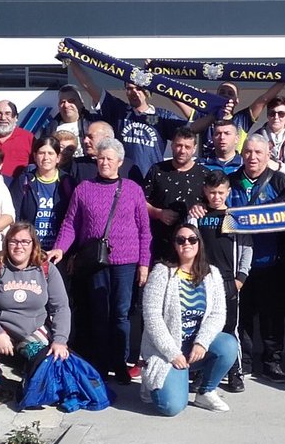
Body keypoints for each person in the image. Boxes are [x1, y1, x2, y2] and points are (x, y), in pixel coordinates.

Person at [48, 137, 151, 382]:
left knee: (121, 314)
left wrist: (144, 263)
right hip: (95, 261)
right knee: (99, 313)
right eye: (101, 158)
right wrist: (60, 248)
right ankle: (101, 364)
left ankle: (120, 363)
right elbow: (70, 223)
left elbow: (144, 230)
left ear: (119, 162)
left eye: (109, 159)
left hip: (126, 262)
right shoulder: (84, 189)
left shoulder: (133, 189)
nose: (104, 163)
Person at [0, 221, 72, 404]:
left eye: (25, 241)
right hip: (0, 327)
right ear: (6, 243)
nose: (19, 246)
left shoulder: (46, 268)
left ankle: (30, 376)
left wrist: (60, 340)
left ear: (33, 244)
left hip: (33, 327)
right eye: (13, 241)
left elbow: (60, 307)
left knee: (50, 357)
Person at [140, 224, 240, 416]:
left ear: (199, 243)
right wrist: (172, 353)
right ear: (174, 245)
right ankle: (155, 381)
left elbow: (218, 314)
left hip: (194, 348)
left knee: (228, 344)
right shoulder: (162, 272)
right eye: (181, 240)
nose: (187, 243)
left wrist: (202, 343)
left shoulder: (212, 274)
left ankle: (206, 392)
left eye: (192, 239)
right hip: (166, 351)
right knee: (171, 407)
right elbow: (152, 318)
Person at [227, 134, 285, 383]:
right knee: (242, 317)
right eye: (248, 152)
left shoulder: (281, 182)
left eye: (258, 152)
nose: (253, 157)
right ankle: (243, 362)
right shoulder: (230, 181)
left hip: (271, 263)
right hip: (237, 265)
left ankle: (272, 362)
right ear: (241, 153)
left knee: (272, 317)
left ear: (269, 155)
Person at [66, 60, 190, 178]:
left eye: (139, 88)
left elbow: (193, 119)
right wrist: (71, 59)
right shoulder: (119, 111)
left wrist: (163, 86)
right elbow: (89, 85)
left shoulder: (162, 116)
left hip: (152, 180)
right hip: (124, 179)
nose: (134, 92)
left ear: (148, 91)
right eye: (130, 89)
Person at [188, 170, 252, 392]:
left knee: (230, 328)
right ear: (205, 191)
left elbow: (246, 247)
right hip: (201, 280)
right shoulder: (197, 215)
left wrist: (240, 278)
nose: (216, 197)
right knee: (201, 327)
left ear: (229, 192)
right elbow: (188, 245)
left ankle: (235, 372)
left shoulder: (233, 217)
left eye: (221, 193)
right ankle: (201, 370)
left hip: (228, 280)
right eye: (212, 192)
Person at [143, 127, 207, 261]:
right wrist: (158, 213)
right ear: (171, 145)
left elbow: (216, 203)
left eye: (187, 147)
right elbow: (140, 202)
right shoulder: (157, 170)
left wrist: (203, 206)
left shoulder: (204, 174)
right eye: (178, 145)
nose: (182, 150)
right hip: (160, 245)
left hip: (193, 247)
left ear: (194, 149)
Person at [10, 137, 73, 253]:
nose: (46, 157)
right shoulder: (24, 180)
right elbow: (14, 214)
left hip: (57, 250)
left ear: (58, 157)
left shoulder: (67, 182)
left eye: (50, 153)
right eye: (41, 153)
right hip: (29, 248)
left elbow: (73, 217)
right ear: (34, 156)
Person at [39, 84, 95, 152]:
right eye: (62, 102)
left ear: (81, 103)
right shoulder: (49, 129)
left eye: (71, 101)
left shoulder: (94, 122)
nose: (66, 105)